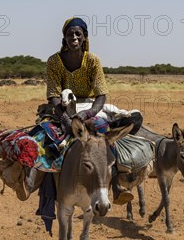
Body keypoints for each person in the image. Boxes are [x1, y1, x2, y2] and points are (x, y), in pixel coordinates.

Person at [45, 17, 134, 204]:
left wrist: (88, 114)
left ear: (85, 37)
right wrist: (66, 120)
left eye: (78, 34)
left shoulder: (93, 61)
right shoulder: (54, 61)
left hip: (90, 106)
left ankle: (116, 182)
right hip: (62, 106)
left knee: (105, 136)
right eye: (70, 34)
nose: (74, 38)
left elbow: (101, 95)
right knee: (46, 139)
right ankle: (44, 188)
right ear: (64, 37)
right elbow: (53, 95)